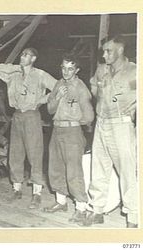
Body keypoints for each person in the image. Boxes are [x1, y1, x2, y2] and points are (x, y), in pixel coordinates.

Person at [83, 35, 137, 228]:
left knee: (128, 172)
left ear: (120, 50)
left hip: (121, 125)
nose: (104, 55)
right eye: (103, 51)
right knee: (98, 169)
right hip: (101, 124)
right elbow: (94, 91)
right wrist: (97, 88)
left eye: (108, 51)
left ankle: (133, 217)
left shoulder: (133, 72)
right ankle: (97, 210)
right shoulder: (102, 70)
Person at [0, 48, 57, 208]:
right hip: (17, 116)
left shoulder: (40, 74)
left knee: (34, 153)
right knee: (15, 152)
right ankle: (17, 189)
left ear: (33, 58)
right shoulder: (13, 74)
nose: (22, 56)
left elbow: (57, 87)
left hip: (32, 116)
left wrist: (42, 99)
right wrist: (17, 67)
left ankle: (36, 193)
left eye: (26, 55)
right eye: (22, 54)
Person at [44, 53, 94, 224]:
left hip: (72, 133)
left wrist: (72, 122)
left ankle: (81, 207)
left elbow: (89, 116)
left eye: (70, 68)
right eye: (63, 68)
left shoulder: (80, 87)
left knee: (74, 171)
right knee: (55, 168)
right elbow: (50, 110)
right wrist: (57, 98)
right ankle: (61, 202)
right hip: (56, 130)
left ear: (77, 70)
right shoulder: (58, 84)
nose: (66, 72)